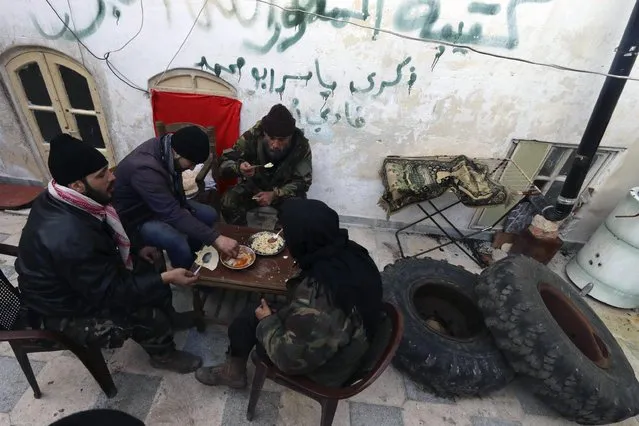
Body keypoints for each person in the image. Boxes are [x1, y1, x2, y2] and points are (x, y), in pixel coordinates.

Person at [15, 134, 202, 373]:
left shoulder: (69, 198)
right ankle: (163, 354)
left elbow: (110, 231)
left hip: (81, 281)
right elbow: (112, 293)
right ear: (77, 185)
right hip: (64, 308)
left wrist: (136, 248)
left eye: (107, 170)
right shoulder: (69, 235)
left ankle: (170, 318)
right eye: (102, 175)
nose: (112, 177)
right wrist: (166, 278)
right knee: (139, 309)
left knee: (151, 260)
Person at [195, 199, 383, 388]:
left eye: (288, 233)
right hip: (346, 339)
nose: (285, 237)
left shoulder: (318, 302)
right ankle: (234, 369)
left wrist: (267, 321)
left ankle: (233, 374)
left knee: (249, 319)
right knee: (252, 313)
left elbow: (289, 360)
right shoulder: (351, 253)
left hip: (329, 370)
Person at [113, 126, 239, 269]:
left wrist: (184, 207)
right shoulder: (145, 169)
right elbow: (171, 213)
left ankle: (197, 256)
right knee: (177, 241)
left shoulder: (167, 147)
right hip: (137, 218)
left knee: (209, 214)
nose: (192, 169)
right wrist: (216, 238)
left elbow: (174, 192)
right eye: (191, 163)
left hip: (160, 204)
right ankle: (186, 273)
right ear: (177, 154)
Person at [218, 104, 313, 226]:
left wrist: (275, 194)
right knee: (228, 200)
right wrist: (239, 168)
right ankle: (243, 234)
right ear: (264, 134)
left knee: (298, 211)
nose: (275, 145)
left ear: (291, 136)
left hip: (283, 192)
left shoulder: (301, 146)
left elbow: (303, 182)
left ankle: (281, 238)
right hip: (254, 188)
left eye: (281, 140)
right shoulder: (252, 136)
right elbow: (224, 164)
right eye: (271, 138)